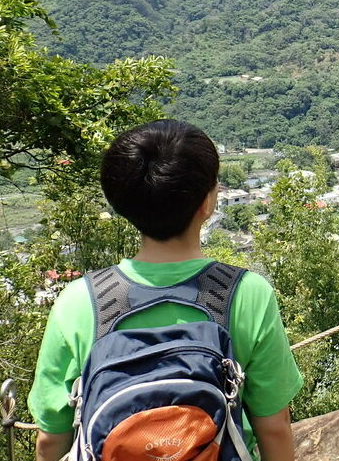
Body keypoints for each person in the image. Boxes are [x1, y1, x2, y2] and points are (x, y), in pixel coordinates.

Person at [28, 119, 303, 461]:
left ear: (120, 203)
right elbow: (274, 426)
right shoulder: (247, 293)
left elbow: (51, 437)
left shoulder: (79, 300)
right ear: (207, 202)